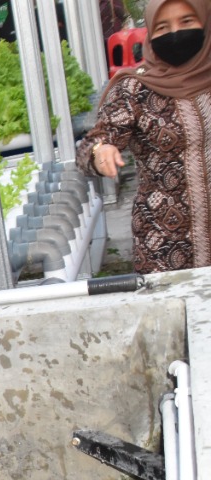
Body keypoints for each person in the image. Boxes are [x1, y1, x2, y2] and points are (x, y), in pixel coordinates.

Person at [77, 0, 211, 274]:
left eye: (187, 22)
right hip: (165, 245)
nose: (175, 33)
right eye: (163, 26)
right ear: (150, 32)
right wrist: (101, 152)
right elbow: (91, 145)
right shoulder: (135, 89)